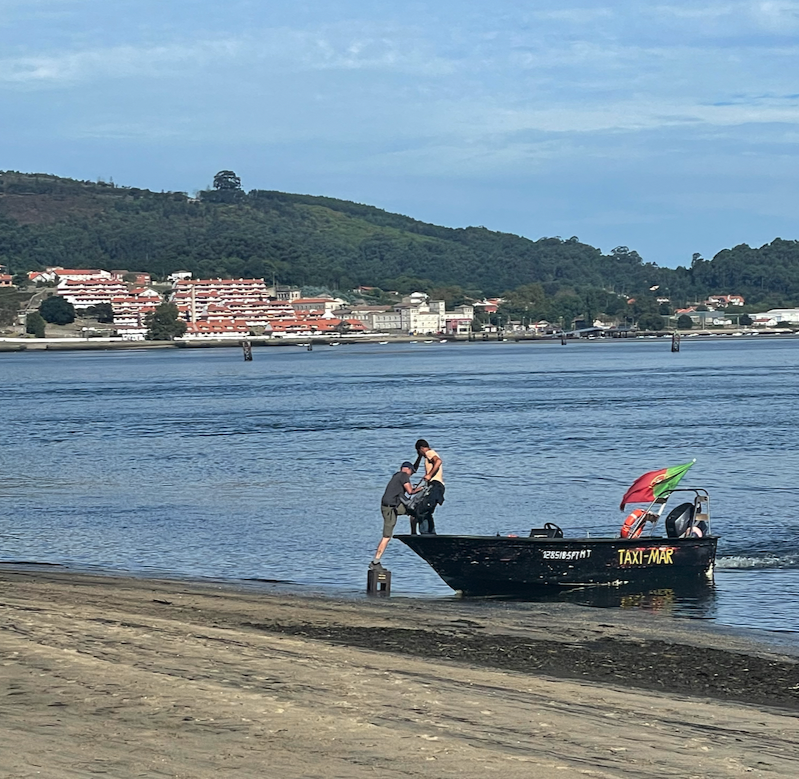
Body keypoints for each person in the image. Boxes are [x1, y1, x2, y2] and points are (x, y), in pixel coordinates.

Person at [370, 461, 415, 568]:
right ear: (408, 470)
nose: (411, 475)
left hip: (392, 506)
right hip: (390, 509)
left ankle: (414, 533)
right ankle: (375, 562)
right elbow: (410, 491)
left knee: (414, 511)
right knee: (387, 536)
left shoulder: (397, 475)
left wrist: (419, 457)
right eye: (412, 472)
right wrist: (422, 488)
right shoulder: (404, 476)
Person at [412, 439, 445, 535]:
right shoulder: (426, 456)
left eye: (418, 451)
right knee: (427, 510)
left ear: (421, 448)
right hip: (435, 486)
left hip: (435, 485)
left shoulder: (429, 453)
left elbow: (438, 461)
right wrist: (419, 456)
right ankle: (431, 533)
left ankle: (425, 534)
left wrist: (429, 475)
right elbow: (415, 468)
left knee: (421, 510)